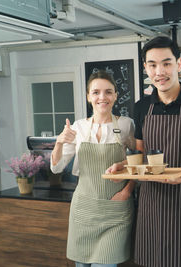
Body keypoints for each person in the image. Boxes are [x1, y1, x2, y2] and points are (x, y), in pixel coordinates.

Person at [107, 36, 181, 267]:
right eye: (153, 65)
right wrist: (123, 167)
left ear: (178, 64)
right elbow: (139, 154)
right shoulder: (141, 107)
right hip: (151, 204)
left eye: (167, 63)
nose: (160, 71)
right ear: (146, 68)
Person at [50, 70, 136, 267]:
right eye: (96, 92)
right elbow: (56, 167)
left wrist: (127, 191)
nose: (102, 97)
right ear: (89, 96)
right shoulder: (78, 127)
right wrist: (59, 142)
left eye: (108, 92)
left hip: (116, 209)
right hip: (84, 209)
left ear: (115, 95)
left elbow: (140, 162)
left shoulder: (126, 125)